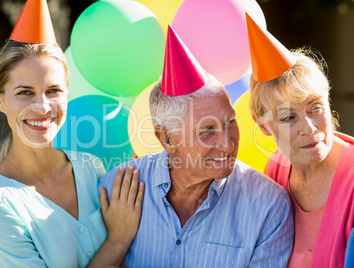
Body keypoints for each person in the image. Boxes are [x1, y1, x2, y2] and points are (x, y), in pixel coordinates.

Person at [99, 25, 294, 267]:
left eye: (230, 122)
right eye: (207, 131)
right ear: (167, 139)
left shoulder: (268, 205)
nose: (226, 144)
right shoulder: (115, 189)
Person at [0, 0, 144, 267]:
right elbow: (119, 243)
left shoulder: (91, 168)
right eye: (25, 92)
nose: (42, 107)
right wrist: (117, 241)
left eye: (53, 91)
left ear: (68, 93)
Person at [246, 13, 354, 268]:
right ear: (263, 125)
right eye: (288, 117)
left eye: (315, 108)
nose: (308, 128)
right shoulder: (276, 169)